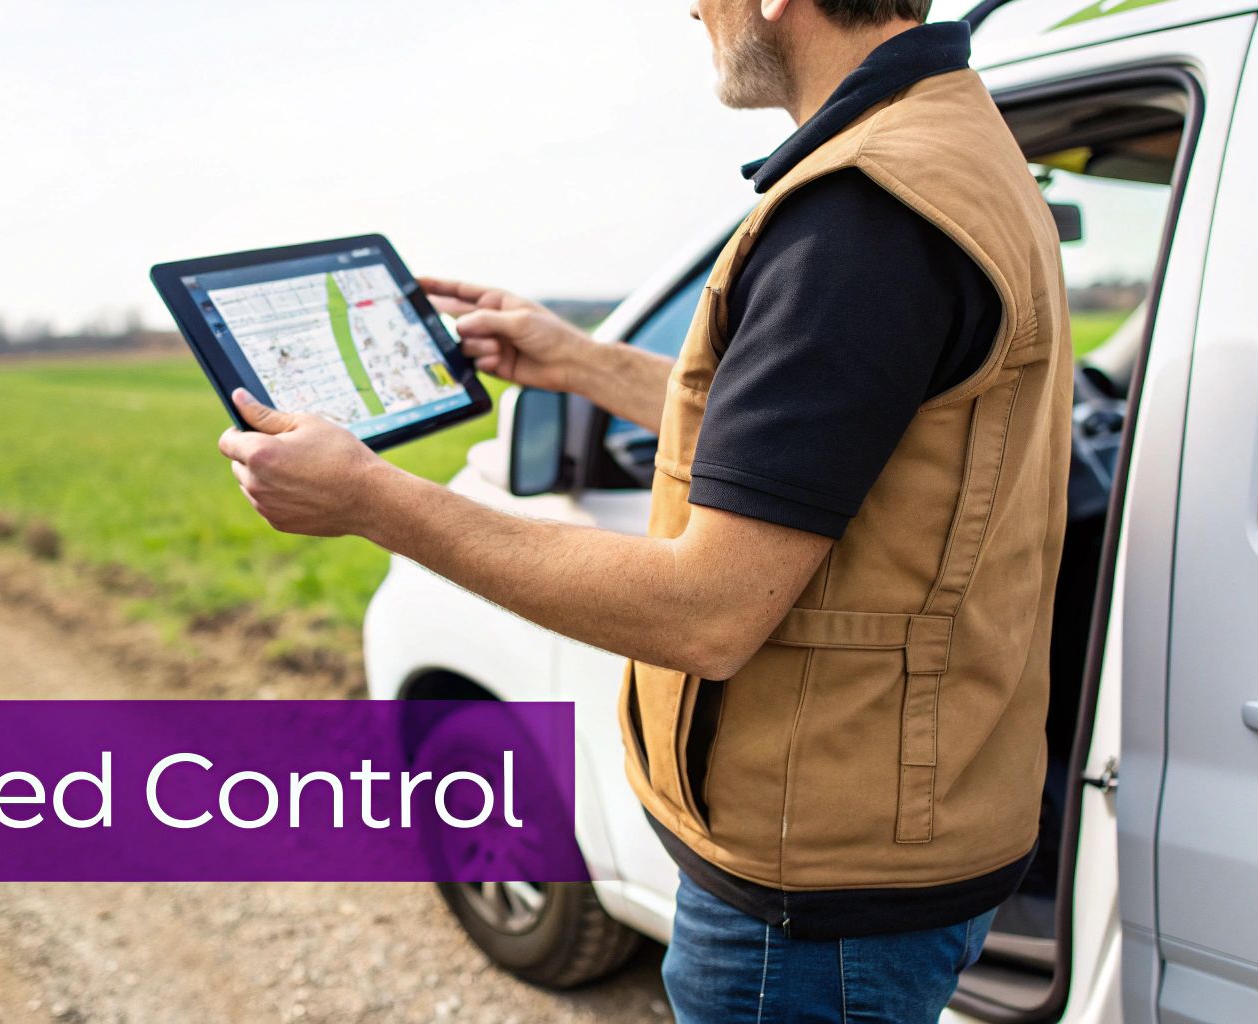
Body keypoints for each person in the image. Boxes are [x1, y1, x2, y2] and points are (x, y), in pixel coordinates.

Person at [218, 0, 1072, 1019]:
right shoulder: (949, 141)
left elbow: (706, 612)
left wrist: (371, 499)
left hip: (815, 887)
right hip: (908, 824)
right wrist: (577, 361)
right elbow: (819, 431)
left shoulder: (859, 213)